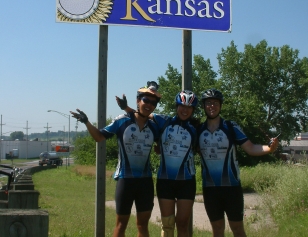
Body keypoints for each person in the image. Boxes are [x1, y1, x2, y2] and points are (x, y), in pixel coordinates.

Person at [70, 82, 161, 237]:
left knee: (143, 226)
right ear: (138, 101)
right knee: (120, 226)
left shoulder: (154, 126)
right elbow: (99, 137)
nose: (149, 105)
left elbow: (159, 148)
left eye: (153, 103)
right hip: (125, 180)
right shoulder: (122, 121)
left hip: (145, 182)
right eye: (146, 100)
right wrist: (86, 122)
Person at [117, 88, 199, 237]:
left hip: (187, 181)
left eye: (189, 107)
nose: (185, 110)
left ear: (193, 109)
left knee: (182, 224)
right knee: (167, 225)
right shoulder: (164, 121)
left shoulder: (197, 128)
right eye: (182, 105)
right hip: (165, 181)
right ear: (176, 106)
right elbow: (142, 114)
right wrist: (125, 108)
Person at [197, 88, 279, 237]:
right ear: (204, 106)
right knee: (217, 229)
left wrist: (270, 148)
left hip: (232, 187)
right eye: (208, 103)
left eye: (215, 103)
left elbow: (251, 148)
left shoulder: (230, 127)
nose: (212, 106)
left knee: (237, 229)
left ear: (220, 105)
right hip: (210, 189)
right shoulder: (199, 130)